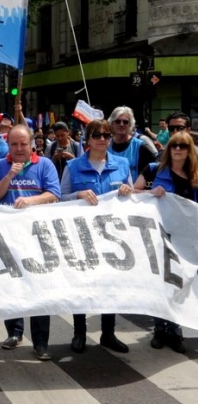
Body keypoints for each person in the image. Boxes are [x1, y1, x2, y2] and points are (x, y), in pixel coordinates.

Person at [0, 125, 61, 361]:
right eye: (14, 144)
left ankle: (41, 343)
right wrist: (9, 176)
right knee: (12, 287)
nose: (19, 149)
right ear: (8, 146)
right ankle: (14, 333)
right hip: (8, 237)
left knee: (39, 290)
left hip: (38, 238)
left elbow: (54, 194)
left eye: (23, 144)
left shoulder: (45, 165)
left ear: (32, 145)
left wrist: (31, 201)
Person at [118, 129, 197, 354]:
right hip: (160, 235)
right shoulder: (154, 170)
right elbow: (133, 193)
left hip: (185, 239)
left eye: (183, 146)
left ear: (189, 150)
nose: (178, 150)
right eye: (174, 146)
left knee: (181, 283)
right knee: (162, 282)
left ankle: (175, 329)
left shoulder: (195, 176)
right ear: (168, 149)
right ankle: (160, 329)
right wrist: (151, 193)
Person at [60, 118, 131, 354]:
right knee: (81, 284)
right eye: (97, 135)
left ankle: (108, 333)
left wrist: (128, 191)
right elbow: (60, 199)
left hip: (113, 236)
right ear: (87, 139)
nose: (102, 139)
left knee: (109, 285)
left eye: (107, 135)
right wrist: (78, 194)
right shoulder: (73, 167)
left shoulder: (122, 164)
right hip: (81, 236)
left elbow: (133, 199)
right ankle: (79, 333)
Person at [108, 106, 157, 183]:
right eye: (117, 121)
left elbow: (155, 170)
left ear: (130, 125)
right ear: (112, 124)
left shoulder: (141, 147)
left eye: (125, 122)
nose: (121, 124)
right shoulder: (105, 146)